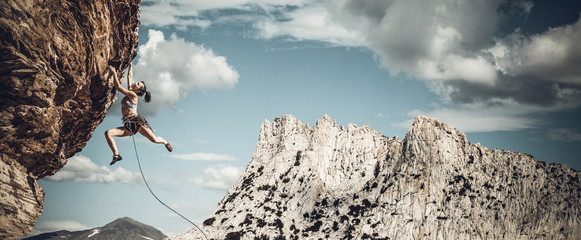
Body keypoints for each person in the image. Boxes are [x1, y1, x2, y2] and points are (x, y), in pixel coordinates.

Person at [105, 63, 173, 165]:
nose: (135, 83)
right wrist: (130, 66)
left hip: (137, 122)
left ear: (138, 90)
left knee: (154, 139)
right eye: (137, 82)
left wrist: (114, 72)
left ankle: (165, 142)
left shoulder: (133, 95)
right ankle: (116, 155)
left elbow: (118, 87)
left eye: (137, 84)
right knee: (108, 133)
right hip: (129, 125)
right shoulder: (130, 91)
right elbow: (129, 76)